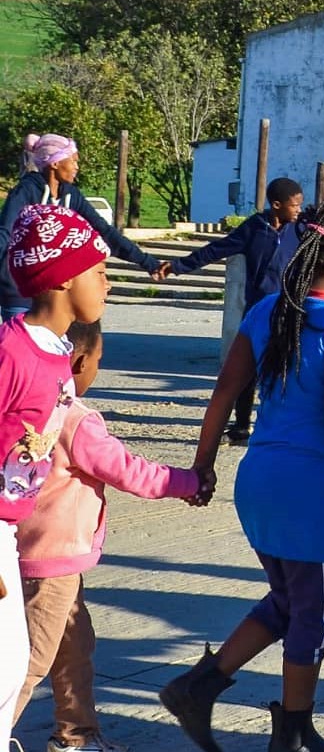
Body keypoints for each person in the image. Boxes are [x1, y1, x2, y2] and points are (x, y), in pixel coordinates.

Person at [158, 199, 324, 752]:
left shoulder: (265, 311)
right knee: (318, 614)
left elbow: (224, 391)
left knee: (287, 600)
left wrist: (203, 464)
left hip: (256, 483)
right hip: (307, 494)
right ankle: (293, 731)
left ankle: (198, 688)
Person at [12, 319, 212, 752]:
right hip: (52, 561)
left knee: (73, 648)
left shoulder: (22, 405)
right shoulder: (75, 419)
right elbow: (128, 471)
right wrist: (190, 482)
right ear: (80, 362)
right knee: (29, 661)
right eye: (99, 361)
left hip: (28, 553)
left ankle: (77, 735)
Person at [0, 204, 111, 750]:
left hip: (12, 529)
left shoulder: (56, 351)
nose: (108, 284)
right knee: (11, 666)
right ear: (64, 278)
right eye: (100, 272)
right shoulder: (12, 352)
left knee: (14, 663)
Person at [159, 176, 304, 444]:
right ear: (276, 205)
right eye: (294, 205)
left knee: (285, 371)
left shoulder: (301, 230)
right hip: (257, 312)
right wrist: (178, 266)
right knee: (246, 370)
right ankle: (241, 426)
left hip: (288, 312)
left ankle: (282, 426)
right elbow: (215, 250)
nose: (299, 210)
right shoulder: (253, 229)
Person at [0, 134, 164, 321]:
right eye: (73, 161)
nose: (77, 167)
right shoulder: (25, 191)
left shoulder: (71, 195)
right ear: (55, 163)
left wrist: (148, 262)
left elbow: (104, 232)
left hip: (54, 292)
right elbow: (5, 232)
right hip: (19, 290)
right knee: (23, 339)